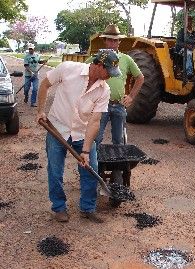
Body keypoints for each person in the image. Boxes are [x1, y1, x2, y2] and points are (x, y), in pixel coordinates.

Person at [36, 49, 121, 223]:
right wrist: (40, 111)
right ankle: (59, 207)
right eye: (108, 72)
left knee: (90, 168)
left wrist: (86, 151)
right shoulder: (68, 69)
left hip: (82, 132)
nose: (109, 76)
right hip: (57, 129)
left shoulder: (104, 90)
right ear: (98, 65)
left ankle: (87, 208)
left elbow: (95, 121)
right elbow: (44, 84)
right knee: (55, 170)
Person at [95, 24, 144, 184]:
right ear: (105, 41)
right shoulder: (98, 58)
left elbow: (140, 77)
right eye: (109, 40)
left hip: (119, 106)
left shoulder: (126, 59)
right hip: (101, 106)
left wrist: (131, 96)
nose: (112, 43)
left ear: (118, 43)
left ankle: (119, 172)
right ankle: (92, 172)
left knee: (119, 142)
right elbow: (84, 71)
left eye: (115, 41)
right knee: (96, 138)